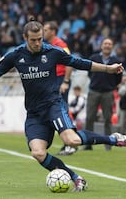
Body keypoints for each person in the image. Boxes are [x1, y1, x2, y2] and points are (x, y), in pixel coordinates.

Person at [0, 20, 126, 192]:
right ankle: (76, 178)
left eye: (40, 39)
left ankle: (115, 139)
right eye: (33, 40)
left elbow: (79, 63)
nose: (37, 43)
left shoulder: (53, 51)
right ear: (25, 38)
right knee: (38, 153)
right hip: (34, 113)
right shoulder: (16, 55)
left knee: (72, 140)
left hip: (53, 106)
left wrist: (108, 69)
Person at [83, 38, 123, 151]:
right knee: (90, 117)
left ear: (112, 46)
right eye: (105, 43)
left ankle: (108, 145)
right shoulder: (94, 58)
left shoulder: (116, 60)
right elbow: (89, 73)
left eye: (110, 44)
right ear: (101, 46)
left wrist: (110, 86)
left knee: (108, 119)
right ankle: (88, 143)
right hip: (93, 91)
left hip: (108, 93)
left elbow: (118, 78)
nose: (107, 46)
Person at [43, 21, 74, 155]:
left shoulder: (60, 44)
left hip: (61, 79)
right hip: (54, 80)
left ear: (53, 31)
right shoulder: (49, 45)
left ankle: (71, 143)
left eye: (46, 30)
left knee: (62, 110)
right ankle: (67, 142)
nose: (43, 32)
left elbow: (70, 62)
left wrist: (66, 81)